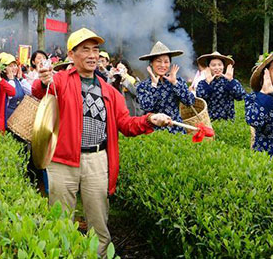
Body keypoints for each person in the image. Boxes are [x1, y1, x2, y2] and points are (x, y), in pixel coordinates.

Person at [33, 28, 172, 257]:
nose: (92, 55)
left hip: (97, 160)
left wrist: (150, 119)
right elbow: (41, 92)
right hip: (62, 160)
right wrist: (43, 79)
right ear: (71, 54)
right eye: (85, 49)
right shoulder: (60, 80)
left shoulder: (110, 92)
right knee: (59, 219)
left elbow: (126, 124)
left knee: (99, 222)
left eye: (95, 50)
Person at [137, 41, 195, 133]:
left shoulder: (177, 80)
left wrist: (175, 83)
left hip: (176, 130)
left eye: (166, 62)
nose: (163, 65)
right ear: (151, 63)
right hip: (153, 132)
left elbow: (190, 101)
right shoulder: (143, 86)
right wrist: (154, 85)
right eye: (158, 61)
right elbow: (147, 107)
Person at [195, 51, 246, 120]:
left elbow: (240, 96)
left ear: (223, 66)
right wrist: (207, 83)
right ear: (208, 67)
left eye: (220, 65)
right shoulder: (202, 83)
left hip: (228, 121)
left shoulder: (229, 81)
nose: (217, 67)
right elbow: (200, 100)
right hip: (209, 121)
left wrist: (231, 81)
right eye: (213, 65)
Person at [1, 53, 31, 124]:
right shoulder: (3, 82)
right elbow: (11, 94)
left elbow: (30, 92)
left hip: (19, 118)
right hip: (8, 117)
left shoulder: (18, 80)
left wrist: (21, 78)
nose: (14, 68)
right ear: (4, 69)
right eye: (11, 66)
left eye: (15, 65)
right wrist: (11, 79)